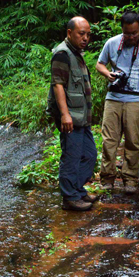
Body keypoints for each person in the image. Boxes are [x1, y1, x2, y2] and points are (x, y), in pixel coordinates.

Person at [96, 11, 139, 194]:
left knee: (132, 141)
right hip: (113, 98)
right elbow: (100, 64)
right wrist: (107, 74)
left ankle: (130, 179)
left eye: (134, 33)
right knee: (109, 141)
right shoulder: (112, 43)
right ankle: (107, 178)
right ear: (122, 29)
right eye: (127, 33)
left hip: (136, 99)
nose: (131, 37)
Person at [48, 16, 98, 212]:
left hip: (81, 116)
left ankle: (76, 189)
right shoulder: (62, 54)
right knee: (72, 156)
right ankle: (70, 198)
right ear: (70, 33)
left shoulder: (77, 53)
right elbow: (58, 85)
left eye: (88, 34)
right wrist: (65, 115)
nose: (85, 38)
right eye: (81, 34)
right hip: (70, 116)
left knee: (90, 154)